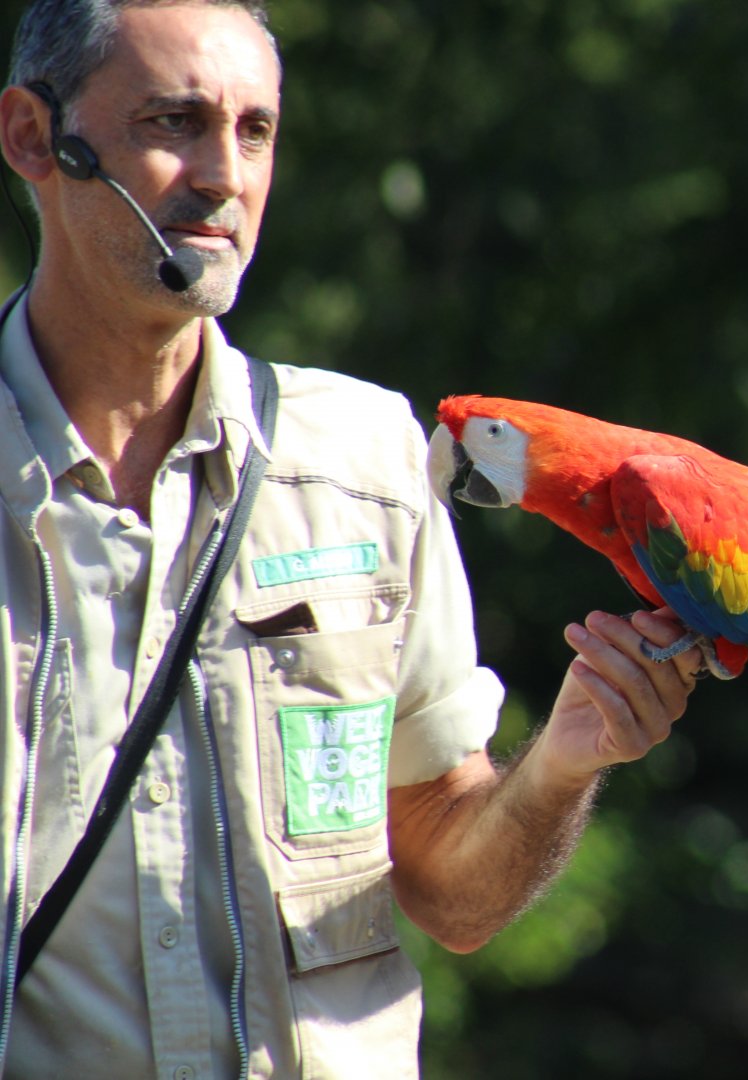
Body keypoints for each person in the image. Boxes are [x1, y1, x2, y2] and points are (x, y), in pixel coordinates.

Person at [0, 1, 703, 1075]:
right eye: (174, 122)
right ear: (32, 138)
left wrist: (566, 763)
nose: (224, 176)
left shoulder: (369, 462)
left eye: (255, 130)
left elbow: (455, 898)